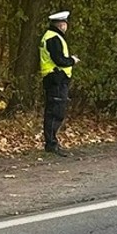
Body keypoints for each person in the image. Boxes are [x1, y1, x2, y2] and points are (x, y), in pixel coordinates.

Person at [40, 10, 79, 156]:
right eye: (66, 24)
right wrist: (72, 61)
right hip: (56, 78)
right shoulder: (54, 38)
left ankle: (52, 142)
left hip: (55, 78)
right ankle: (51, 144)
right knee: (55, 111)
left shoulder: (51, 36)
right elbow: (59, 60)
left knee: (55, 110)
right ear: (62, 24)